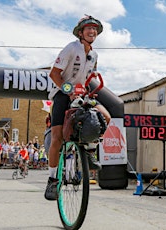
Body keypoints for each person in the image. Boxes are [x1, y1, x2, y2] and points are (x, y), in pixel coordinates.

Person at [44, 15, 111, 201]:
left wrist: (87, 91)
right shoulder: (71, 48)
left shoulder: (94, 55)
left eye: (95, 29)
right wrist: (69, 91)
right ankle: (51, 179)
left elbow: (88, 77)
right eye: (88, 28)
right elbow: (54, 74)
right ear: (80, 33)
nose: (92, 31)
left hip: (81, 94)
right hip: (61, 93)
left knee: (106, 116)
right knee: (57, 136)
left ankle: (89, 151)